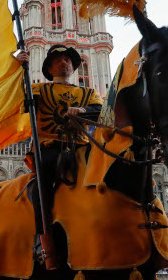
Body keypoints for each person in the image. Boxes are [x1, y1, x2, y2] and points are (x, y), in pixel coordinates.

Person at [14, 45, 103, 267]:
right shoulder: (38, 90)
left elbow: (103, 112)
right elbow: (17, 102)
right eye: (58, 60)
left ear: (73, 66)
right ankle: (45, 243)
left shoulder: (87, 94)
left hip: (81, 148)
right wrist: (18, 71)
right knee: (43, 181)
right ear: (49, 68)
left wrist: (82, 110)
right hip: (50, 147)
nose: (64, 62)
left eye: (67, 59)